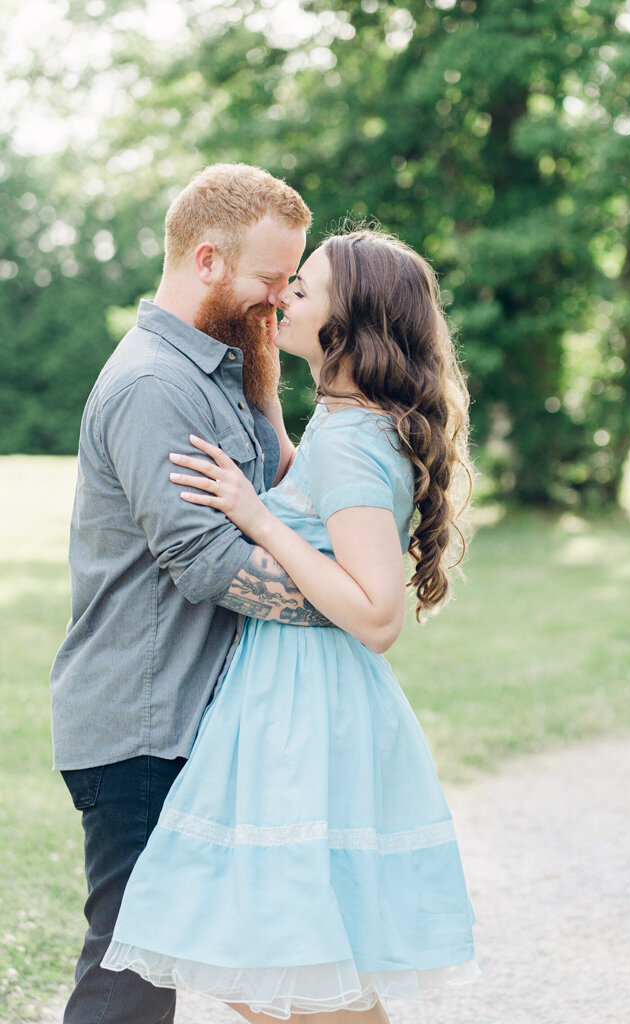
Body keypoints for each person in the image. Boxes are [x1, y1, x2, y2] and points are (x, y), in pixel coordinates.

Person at [101, 228, 479, 1023]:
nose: (281, 296)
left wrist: (253, 518)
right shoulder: (344, 425)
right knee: (274, 958)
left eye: (302, 289)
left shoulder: (350, 439)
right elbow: (315, 508)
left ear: (351, 325)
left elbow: (376, 614)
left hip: (307, 707)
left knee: (275, 960)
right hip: (290, 696)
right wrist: (272, 410)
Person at [50, 163, 322, 1024]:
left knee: (239, 955)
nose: (278, 300)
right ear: (207, 260)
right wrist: (349, 604)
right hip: (140, 729)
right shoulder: (153, 386)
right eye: (269, 280)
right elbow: (206, 562)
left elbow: (282, 489)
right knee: (129, 982)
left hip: (192, 724)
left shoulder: (223, 367)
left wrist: (269, 379)